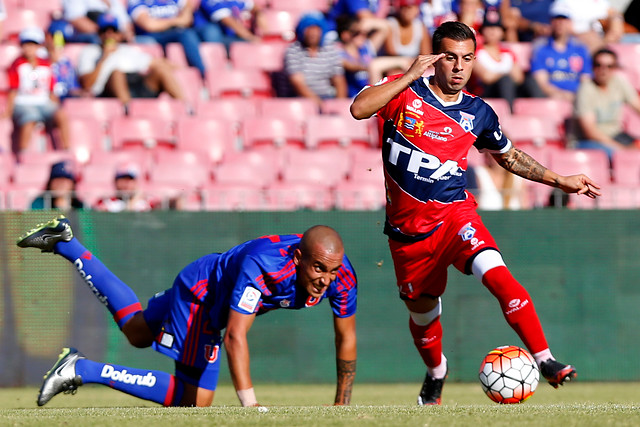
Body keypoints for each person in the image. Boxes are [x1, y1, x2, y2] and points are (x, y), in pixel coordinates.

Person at [350, 21, 600, 405]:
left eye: (467, 58)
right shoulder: (404, 90)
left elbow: (510, 156)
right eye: (450, 57)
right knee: (422, 314)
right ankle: (437, 372)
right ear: (435, 58)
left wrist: (559, 179)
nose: (458, 67)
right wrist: (410, 74)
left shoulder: (478, 113)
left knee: (494, 271)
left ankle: (545, 359)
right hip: (408, 234)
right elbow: (358, 109)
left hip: (455, 215)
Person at [17, 217, 357, 408]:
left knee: (136, 332)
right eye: (318, 269)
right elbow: (236, 337)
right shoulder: (264, 264)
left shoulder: (340, 274)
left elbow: (346, 336)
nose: (326, 279)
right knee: (196, 401)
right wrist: (250, 406)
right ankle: (83, 369)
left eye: (332, 270)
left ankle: (66, 242)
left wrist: (342, 405)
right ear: (297, 259)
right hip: (202, 296)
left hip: (208, 284)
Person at [77, 14, 187, 113]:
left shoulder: (129, 50)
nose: (108, 35)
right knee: (117, 74)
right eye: (104, 31)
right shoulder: (90, 52)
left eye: (113, 31)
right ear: (99, 34)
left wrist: (179, 67)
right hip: (108, 90)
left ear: (119, 34)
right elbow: (87, 84)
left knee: (161, 71)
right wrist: (104, 58)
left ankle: (186, 108)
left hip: (136, 84)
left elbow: (154, 62)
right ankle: (129, 111)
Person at [4, 28, 70, 154]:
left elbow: (50, 90)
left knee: (61, 115)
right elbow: (13, 89)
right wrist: (8, 111)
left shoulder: (45, 65)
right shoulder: (17, 65)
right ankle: (23, 153)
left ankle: (67, 150)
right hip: (23, 102)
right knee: (29, 119)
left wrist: (56, 106)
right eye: (26, 44)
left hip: (43, 101)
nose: (29, 48)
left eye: (32, 44)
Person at [573, 48, 640, 160]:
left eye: (609, 66)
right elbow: (590, 132)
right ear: (593, 67)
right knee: (619, 155)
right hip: (589, 141)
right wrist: (621, 149)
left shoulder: (619, 81)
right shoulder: (585, 89)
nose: (604, 70)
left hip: (616, 135)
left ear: (615, 68)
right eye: (599, 65)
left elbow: (637, 105)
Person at [128, 0, 207, 81]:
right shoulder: (138, 1)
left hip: (174, 33)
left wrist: (163, 23)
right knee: (186, 34)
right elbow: (149, 25)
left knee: (189, 34)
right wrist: (176, 21)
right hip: (149, 37)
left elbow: (187, 20)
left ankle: (204, 77)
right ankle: (204, 76)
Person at [529, 2, 592, 102]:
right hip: (551, 99)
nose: (560, 23)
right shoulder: (541, 48)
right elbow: (541, 82)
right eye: (556, 19)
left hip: (579, 99)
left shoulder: (580, 49)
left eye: (564, 19)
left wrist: (578, 97)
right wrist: (561, 95)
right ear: (551, 22)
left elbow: (586, 79)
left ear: (570, 22)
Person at [284, 12, 347, 107]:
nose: (312, 33)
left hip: (327, 97)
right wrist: (319, 104)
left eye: (316, 29)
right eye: (308, 29)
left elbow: (339, 80)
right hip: (301, 101)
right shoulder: (294, 50)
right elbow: (298, 83)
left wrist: (339, 105)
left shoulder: (330, 49)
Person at [470, 9, 524, 110]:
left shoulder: (508, 52)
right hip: (485, 92)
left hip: (507, 90)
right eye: (488, 28)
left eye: (496, 28)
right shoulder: (476, 52)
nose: (492, 31)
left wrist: (497, 74)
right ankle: (510, 112)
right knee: (506, 80)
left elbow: (519, 77)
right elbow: (486, 77)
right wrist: (506, 73)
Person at [548, 0, 624, 53]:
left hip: (601, 39)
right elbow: (561, 24)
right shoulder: (565, 2)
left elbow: (613, 13)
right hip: (577, 39)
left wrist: (616, 19)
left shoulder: (601, 2)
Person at [193, 0, 263, 50]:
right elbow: (228, 21)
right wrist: (250, 37)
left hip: (231, 37)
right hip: (216, 39)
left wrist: (259, 14)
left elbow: (253, 6)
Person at [60, 0, 135, 44]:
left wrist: (118, 36)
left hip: (113, 37)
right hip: (90, 37)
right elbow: (76, 20)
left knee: (142, 40)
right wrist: (105, 35)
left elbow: (126, 25)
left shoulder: (114, 2)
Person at [94, 162, 158, 212]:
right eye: (122, 179)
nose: (125, 183)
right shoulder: (107, 203)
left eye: (129, 180)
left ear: (135, 182)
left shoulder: (147, 202)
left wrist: (136, 198)